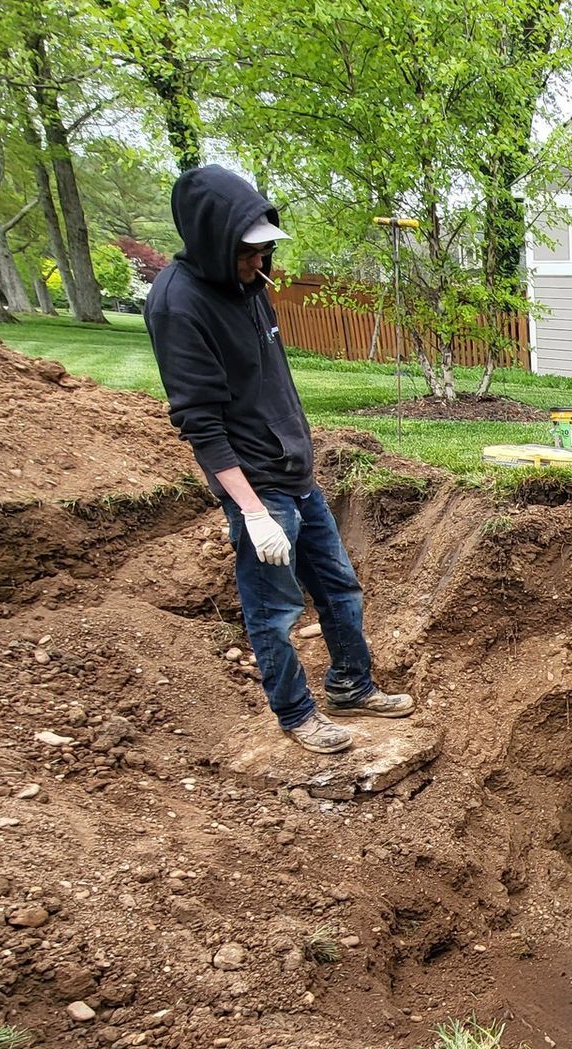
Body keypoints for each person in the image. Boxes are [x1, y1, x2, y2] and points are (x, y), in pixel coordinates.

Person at [144, 165, 412, 752]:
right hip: (257, 487)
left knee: (340, 588)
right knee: (275, 610)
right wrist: (252, 512)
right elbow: (200, 424)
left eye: (266, 249)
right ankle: (295, 715)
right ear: (215, 240)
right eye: (250, 252)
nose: (262, 263)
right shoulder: (179, 306)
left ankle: (351, 684)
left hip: (296, 474)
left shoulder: (252, 288)